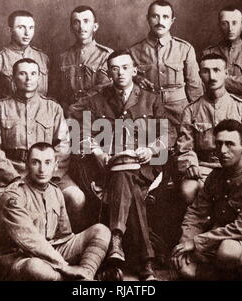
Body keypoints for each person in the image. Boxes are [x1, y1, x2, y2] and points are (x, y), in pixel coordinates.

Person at [69, 50, 168, 281]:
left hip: (144, 168)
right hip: (108, 168)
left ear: (134, 70)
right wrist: (98, 152)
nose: (120, 73)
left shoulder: (151, 99)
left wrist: (150, 149)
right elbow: (80, 131)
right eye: (114, 68)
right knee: (124, 179)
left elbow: (166, 136)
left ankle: (116, 239)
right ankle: (147, 263)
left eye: (125, 67)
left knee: (125, 176)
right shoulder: (96, 100)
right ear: (108, 72)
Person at [171, 119, 242, 281]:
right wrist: (184, 243)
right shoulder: (215, 177)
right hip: (215, 239)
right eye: (219, 144)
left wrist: (197, 242)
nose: (222, 150)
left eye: (230, 144)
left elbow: (241, 229)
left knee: (227, 250)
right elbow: (196, 213)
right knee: (183, 267)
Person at [0, 58, 84, 229]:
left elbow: (63, 146)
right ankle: (6, 253)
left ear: (39, 77)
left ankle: (64, 242)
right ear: (13, 78)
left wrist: (49, 174)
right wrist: (14, 177)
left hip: (48, 172)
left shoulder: (53, 108)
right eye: (22, 74)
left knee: (77, 198)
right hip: (11, 172)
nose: (28, 78)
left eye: (33, 74)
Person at [0, 142, 111, 280]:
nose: (42, 169)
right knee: (35, 268)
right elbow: (30, 240)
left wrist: (65, 259)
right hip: (23, 258)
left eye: (47, 162)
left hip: (54, 251)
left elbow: (64, 236)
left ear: (55, 166)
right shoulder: (14, 196)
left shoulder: (56, 191)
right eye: (35, 162)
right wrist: (63, 265)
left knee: (101, 230)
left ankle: (86, 276)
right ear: (26, 165)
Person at [175, 53, 242, 205]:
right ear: (200, 75)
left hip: (236, 168)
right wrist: (190, 164)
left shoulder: (241, 107)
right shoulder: (191, 110)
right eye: (206, 71)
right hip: (204, 169)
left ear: (226, 73)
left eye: (217, 70)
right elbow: (185, 147)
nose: (211, 76)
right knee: (188, 189)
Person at [128, 0, 204, 147]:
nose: (160, 21)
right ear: (147, 18)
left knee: (182, 151)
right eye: (155, 16)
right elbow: (125, 79)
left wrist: (196, 116)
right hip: (148, 111)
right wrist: (136, 77)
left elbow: (195, 88)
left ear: (172, 21)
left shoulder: (185, 48)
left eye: (165, 17)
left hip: (179, 112)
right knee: (150, 152)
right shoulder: (133, 51)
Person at [202, 5, 242, 118]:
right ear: (219, 26)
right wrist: (241, 83)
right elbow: (203, 85)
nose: (230, 28)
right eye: (225, 23)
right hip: (215, 110)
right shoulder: (208, 53)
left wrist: (219, 79)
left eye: (234, 23)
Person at [52, 5, 113, 114]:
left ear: (95, 26)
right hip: (68, 115)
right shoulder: (63, 58)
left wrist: (76, 107)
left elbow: (106, 90)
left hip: (97, 116)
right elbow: (56, 92)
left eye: (86, 21)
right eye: (76, 22)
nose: (81, 27)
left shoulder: (107, 55)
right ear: (71, 28)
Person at [0, 10, 49, 99]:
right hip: (10, 111)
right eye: (21, 27)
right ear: (10, 30)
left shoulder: (43, 58)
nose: (27, 33)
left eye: (31, 28)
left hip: (40, 111)